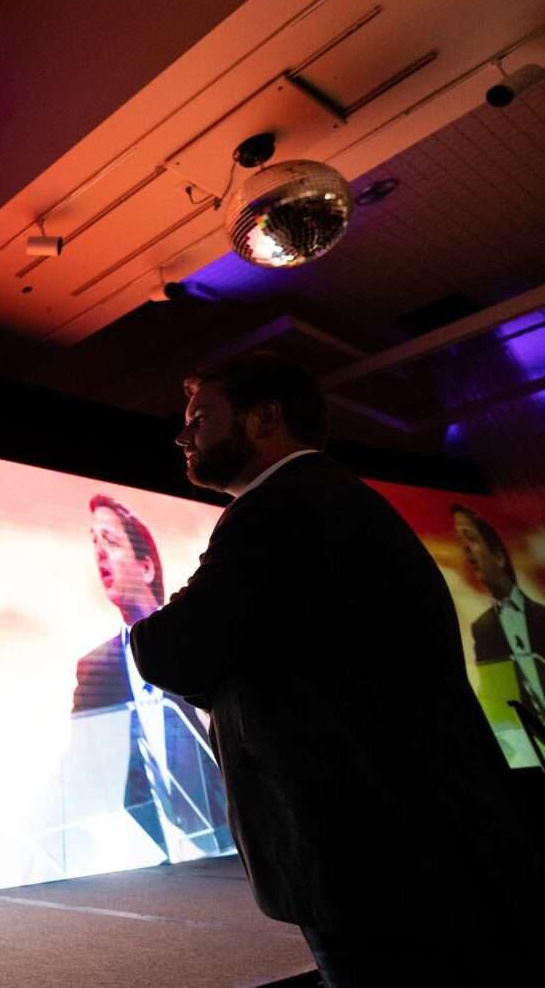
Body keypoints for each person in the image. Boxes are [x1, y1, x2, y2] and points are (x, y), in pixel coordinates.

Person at [129, 352, 536, 986]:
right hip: (417, 840)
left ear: (266, 418)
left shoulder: (273, 510)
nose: (186, 437)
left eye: (201, 418)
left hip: (361, 850)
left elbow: (169, 648)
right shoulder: (340, 500)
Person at [73, 495, 231, 859]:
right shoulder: (94, 668)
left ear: (146, 567)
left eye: (109, 541)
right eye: (93, 542)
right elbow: (85, 770)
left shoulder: (192, 637)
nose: (99, 553)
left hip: (232, 850)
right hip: (160, 866)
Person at [451, 502, 545, 723]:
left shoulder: (542, 616)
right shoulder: (481, 630)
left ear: (499, 556)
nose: (464, 548)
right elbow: (494, 702)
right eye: (459, 540)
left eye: (470, 538)